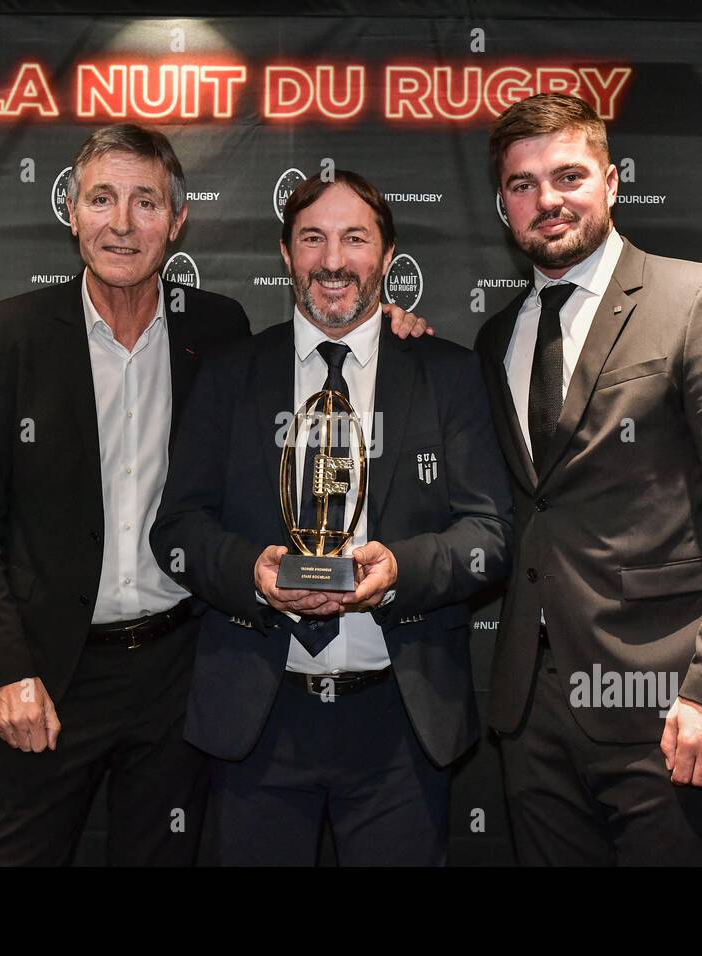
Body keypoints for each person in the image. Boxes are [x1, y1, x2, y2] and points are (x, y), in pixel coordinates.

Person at [0, 125, 430, 866]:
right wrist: (8, 669)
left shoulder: (216, 328)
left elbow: (328, 343)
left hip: (178, 674)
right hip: (49, 674)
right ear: (71, 211)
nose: (122, 223)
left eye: (146, 202)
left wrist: (388, 330)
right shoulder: (12, 334)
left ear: (176, 222)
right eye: (102, 199)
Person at [150, 171, 513, 866]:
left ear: (386, 253)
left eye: (355, 238)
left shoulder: (446, 374)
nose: (334, 260)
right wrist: (252, 574)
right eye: (313, 238)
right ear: (286, 255)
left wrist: (400, 569)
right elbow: (178, 528)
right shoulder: (230, 375)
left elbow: (490, 534)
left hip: (399, 724)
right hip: (258, 719)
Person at [474, 94, 702, 866]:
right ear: (502, 205)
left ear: (613, 183)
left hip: (668, 706)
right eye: (523, 184)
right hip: (531, 712)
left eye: (568, 175)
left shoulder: (700, 301)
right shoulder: (498, 336)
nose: (547, 199)